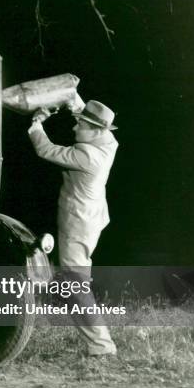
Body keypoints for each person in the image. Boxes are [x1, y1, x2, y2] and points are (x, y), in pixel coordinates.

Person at [28, 100, 119, 356]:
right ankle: (99, 343)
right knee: (72, 280)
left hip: (78, 223)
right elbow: (95, 121)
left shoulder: (86, 156)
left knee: (74, 284)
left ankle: (101, 346)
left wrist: (37, 123)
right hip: (92, 218)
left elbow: (45, 150)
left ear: (96, 131)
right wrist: (74, 102)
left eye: (80, 124)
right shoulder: (108, 144)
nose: (74, 128)